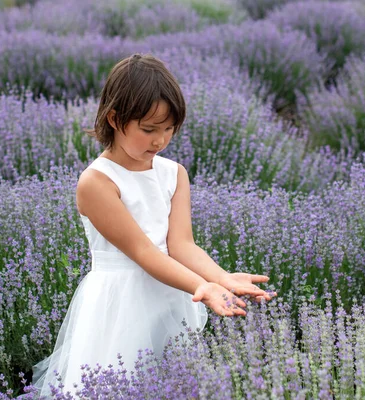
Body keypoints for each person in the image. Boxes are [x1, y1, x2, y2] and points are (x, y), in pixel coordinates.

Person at [27, 53, 276, 398]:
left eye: (169, 129)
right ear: (115, 118)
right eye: (149, 129)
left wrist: (220, 277)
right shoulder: (97, 182)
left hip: (168, 297)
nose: (160, 140)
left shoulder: (173, 174)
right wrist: (199, 286)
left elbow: (182, 246)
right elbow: (144, 252)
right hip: (119, 307)